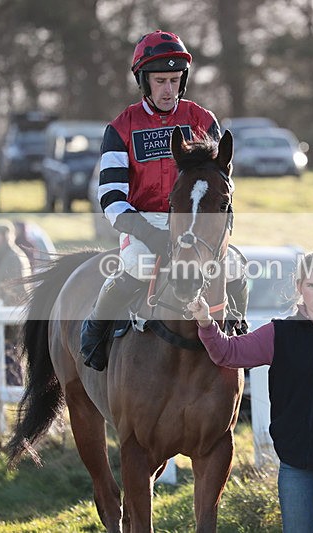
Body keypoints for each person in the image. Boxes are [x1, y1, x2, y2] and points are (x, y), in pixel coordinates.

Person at [81, 29, 248, 371]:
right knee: (135, 265)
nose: (168, 90)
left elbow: (220, 183)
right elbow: (111, 199)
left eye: (174, 80)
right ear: (144, 82)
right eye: (160, 81)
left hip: (195, 222)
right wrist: (151, 235)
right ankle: (95, 330)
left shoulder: (203, 120)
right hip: (145, 223)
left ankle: (236, 331)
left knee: (237, 268)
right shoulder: (120, 128)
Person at [188, 251, 313, 533]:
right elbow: (228, 353)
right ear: (299, 287)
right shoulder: (278, 333)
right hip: (296, 464)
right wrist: (207, 324)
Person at [0, 222, 31, 386]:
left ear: (3, 238)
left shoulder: (12, 258)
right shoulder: (2, 257)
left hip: (10, 320)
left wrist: (0, 314)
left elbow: (14, 292)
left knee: (11, 359)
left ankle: (14, 395)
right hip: (5, 318)